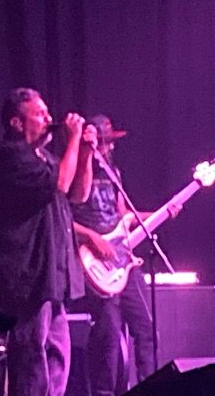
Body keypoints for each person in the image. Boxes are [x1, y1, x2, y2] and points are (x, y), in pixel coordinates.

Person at [0, 87, 96, 396]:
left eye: (48, 113)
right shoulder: (11, 157)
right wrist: (73, 139)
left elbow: (78, 194)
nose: (49, 119)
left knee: (58, 358)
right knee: (32, 361)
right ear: (17, 123)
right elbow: (60, 183)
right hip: (27, 280)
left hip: (51, 279)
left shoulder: (43, 158)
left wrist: (85, 154)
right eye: (39, 114)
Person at [70, 114, 181, 395]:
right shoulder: (74, 170)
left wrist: (161, 213)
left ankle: (151, 389)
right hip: (92, 260)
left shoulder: (113, 172)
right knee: (108, 331)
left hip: (122, 259)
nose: (109, 147)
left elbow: (124, 216)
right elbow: (63, 219)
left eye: (110, 143)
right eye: (105, 142)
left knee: (146, 328)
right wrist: (92, 237)